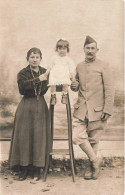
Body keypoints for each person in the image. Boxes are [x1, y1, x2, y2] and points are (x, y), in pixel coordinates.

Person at [71, 36, 114, 180]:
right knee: (77, 136)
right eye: (87, 48)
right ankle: (96, 161)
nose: (90, 51)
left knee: (94, 140)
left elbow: (109, 89)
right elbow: (76, 86)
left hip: (98, 109)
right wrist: (74, 86)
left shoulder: (104, 65)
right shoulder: (79, 66)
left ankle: (92, 169)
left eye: (92, 48)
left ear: (97, 50)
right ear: (83, 49)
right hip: (81, 109)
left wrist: (107, 109)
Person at [9, 47, 51, 181]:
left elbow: (51, 85)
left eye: (37, 57)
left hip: (40, 106)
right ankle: (23, 168)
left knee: (39, 137)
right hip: (26, 107)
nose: (34, 60)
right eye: (32, 57)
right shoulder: (23, 72)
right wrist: (39, 79)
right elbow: (23, 88)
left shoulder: (46, 71)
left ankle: (37, 169)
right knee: (24, 137)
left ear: (40, 58)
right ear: (27, 58)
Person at [44, 39, 76, 105]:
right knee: (52, 83)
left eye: (64, 48)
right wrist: (46, 73)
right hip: (55, 76)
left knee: (65, 83)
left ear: (67, 49)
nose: (62, 50)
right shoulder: (54, 58)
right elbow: (49, 66)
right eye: (60, 48)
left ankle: (64, 96)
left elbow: (71, 69)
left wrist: (73, 77)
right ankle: (53, 96)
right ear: (57, 49)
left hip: (64, 76)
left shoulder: (68, 59)